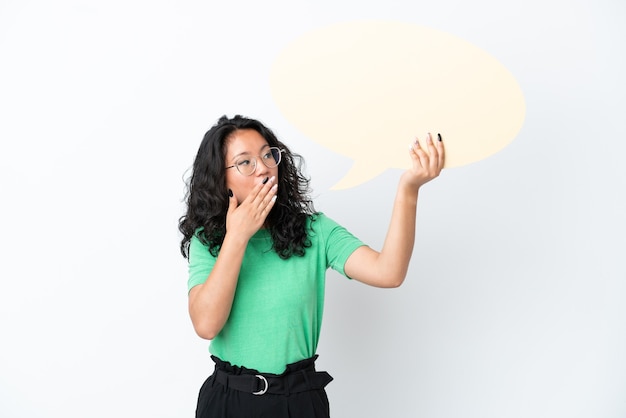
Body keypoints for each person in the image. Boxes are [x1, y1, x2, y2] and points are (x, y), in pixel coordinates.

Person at [179, 114, 444, 418]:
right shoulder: (209, 241)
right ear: (220, 178)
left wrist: (409, 188)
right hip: (228, 401)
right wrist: (237, 236)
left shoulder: (314, 231)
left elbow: (389, 272)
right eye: (245, 162)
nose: (264, 167)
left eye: (268, 154)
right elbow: (206, 325)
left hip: (299, 401)